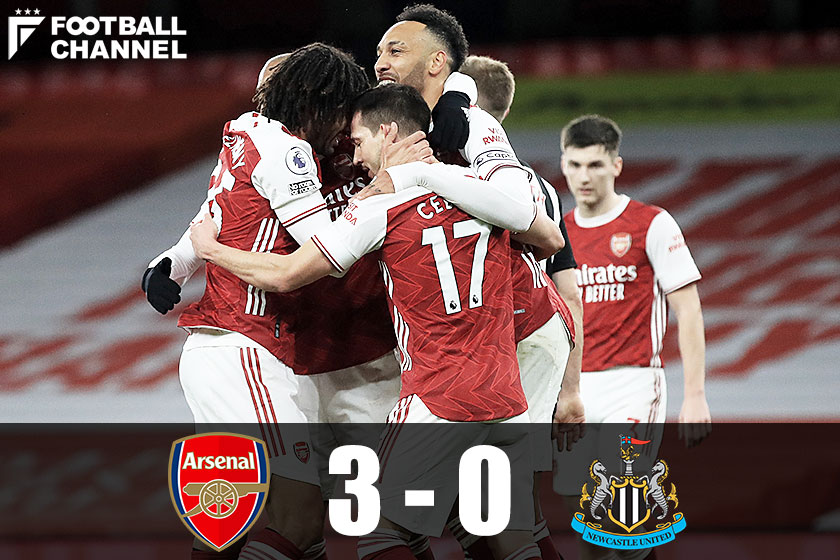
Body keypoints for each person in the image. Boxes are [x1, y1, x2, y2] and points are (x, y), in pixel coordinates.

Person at [189, 83, 566, 560]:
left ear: (387, 132)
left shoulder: (381, 207)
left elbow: (286, 274)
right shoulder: (481, 189)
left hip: (437, 396)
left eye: (360, 141)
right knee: (511, 534)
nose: (356, 157)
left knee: (378, 533)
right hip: (506, 394)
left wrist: (211, 250)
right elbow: (551, 239)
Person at [140, 43, 370, 560]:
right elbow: (325, 247)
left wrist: (170, 264)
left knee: (224, 523)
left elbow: (213, 216)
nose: (344, 126)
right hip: (248, 347)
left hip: (219, 349)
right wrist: (379, 200)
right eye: (341, 109)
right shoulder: (288, 151)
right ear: (317, 101)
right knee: (300, 516)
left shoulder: (244, 136)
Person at [365, 7, 579, 559]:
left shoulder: (472, 126)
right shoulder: (407, 124)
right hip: (484, 335)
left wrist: (430, 170)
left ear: (438, 62)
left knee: (490, 508)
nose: (380, 61)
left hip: (517, 329)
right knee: (492, 510)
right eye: (380, 51)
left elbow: (538, 224)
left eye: (396, 51)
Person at [554, 114, 712, 560]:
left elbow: (688, 309)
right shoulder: (556, 234)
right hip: (575, 389)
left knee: (623, 511)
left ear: (616, 166)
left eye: (595, 165)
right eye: (575, 165)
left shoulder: (651, 224)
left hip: (634, 382)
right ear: (563, 165)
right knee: (585, 521)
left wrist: (695, 395)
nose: (584, 176)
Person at [459, 53, 585, 560]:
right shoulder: (541, 188)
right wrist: (570, 389)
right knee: (506, 503)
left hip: (496, 345)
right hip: (539, 337)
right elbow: (567, 289)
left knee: (491, 502)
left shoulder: (457, 175)